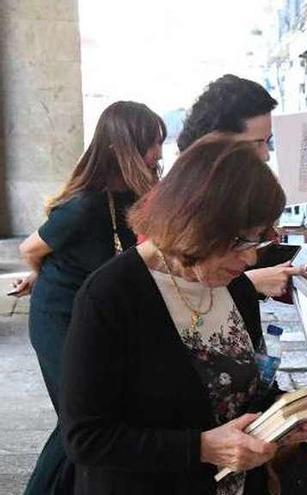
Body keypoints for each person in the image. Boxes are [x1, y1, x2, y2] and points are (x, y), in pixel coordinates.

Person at [61, 135, 307, 494]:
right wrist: (200, 447)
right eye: (240, 242)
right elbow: (86, 437)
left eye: (258, 240)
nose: (251, 259)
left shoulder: (235, 287)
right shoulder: (109, 297)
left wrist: (281, 416)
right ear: (197, 224)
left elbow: (242, 391)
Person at [14, 101, 165, 494]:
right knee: (79, 420)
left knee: (84, 418)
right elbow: (30, 249)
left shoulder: (133, 198)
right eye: (153, 143)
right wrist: (40, 277)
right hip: (59, 315)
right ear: (123, 146)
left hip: (94, 311)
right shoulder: (84, 205)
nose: (159, 153)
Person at [178, 74, 307, 293]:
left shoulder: (236, 193)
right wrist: (252, 283)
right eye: (258, 143)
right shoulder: (184, 204)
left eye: (268, 143)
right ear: (218, 140)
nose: (266, 155)